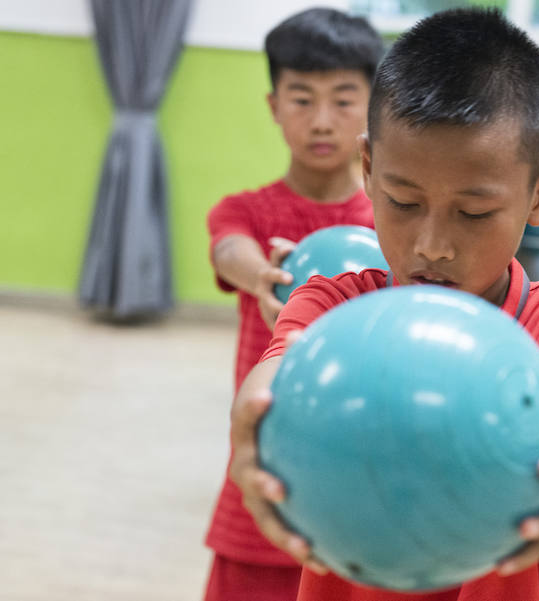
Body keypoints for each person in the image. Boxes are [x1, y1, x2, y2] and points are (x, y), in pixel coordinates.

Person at [228, 7, 539, 601]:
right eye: (402, 201)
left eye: (474, 212)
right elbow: (272, 379)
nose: (432, 246)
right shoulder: (331, 307)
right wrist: (254, 429)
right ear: (368, 170)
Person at [202, 8, 384, 601]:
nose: (323, 121)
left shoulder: (395, 230)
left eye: (344, 99)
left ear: (374, 107)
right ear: (274, 105)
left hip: (361, 481)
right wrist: (265, 276)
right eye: (302, 99)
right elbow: (230, 249)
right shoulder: (246, 211)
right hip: (266, 464)